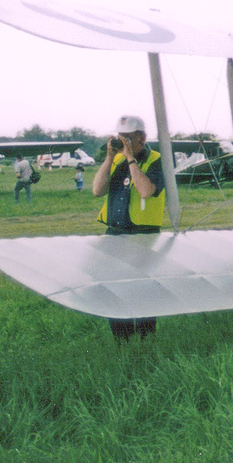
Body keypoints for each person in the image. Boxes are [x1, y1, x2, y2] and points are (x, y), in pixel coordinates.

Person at [92, 115, 166, 339]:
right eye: (120, 137)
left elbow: (146, 191)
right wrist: (109, 158)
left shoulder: (157, 160)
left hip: (142, 235)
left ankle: (145, 338)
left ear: (142, 138)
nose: (123, 142)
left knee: (142, 289)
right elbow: (97, 190)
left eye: (128, 138)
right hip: (115, 232)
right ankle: (122, 339)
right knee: (113, 288)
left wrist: (131, 160)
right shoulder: (116, 161)